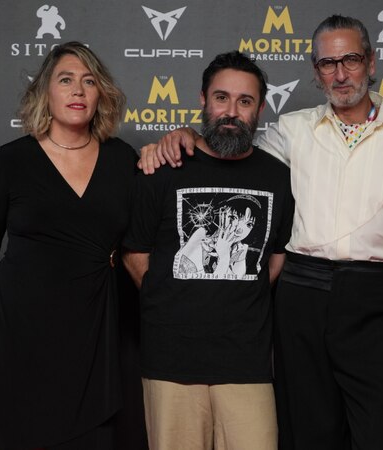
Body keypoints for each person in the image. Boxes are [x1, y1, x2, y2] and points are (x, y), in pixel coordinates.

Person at [138, 15, 383, 450]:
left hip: (374, 299)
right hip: (301, 293)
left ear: (371, 62)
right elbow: (228, 146)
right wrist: (181, 135)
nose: (340, 73)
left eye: (350, 59)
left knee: (378, 431)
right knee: (309, 431)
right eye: (327, 63)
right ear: (316, 73)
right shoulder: (291, 130)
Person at [0, 41, 138, 449]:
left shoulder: (124, 160)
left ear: (100, 94)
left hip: (96, 335)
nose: (78, 91)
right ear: (45, 92)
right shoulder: (9, 161)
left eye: (89, 82)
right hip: (18, 335)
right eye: (66, 80)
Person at [122, 51, 295, 450]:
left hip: (247, 364)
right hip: (170, 363)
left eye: (245, 101)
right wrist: (172, 295)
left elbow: (275, 257)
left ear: (260, 108)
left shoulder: (278, 177)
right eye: (222, 98)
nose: (231, 111)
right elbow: (135, 253)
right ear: (203, 99)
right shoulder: (162, 169)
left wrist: (235, 288)